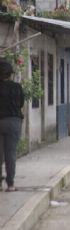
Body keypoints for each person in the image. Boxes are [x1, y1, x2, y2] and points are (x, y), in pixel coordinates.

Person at [0, 60, 24, 192]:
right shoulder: (17, 87)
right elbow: (21, 104)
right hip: (13, 122)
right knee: (11, 154)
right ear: (10, 74)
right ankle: (10, 184)